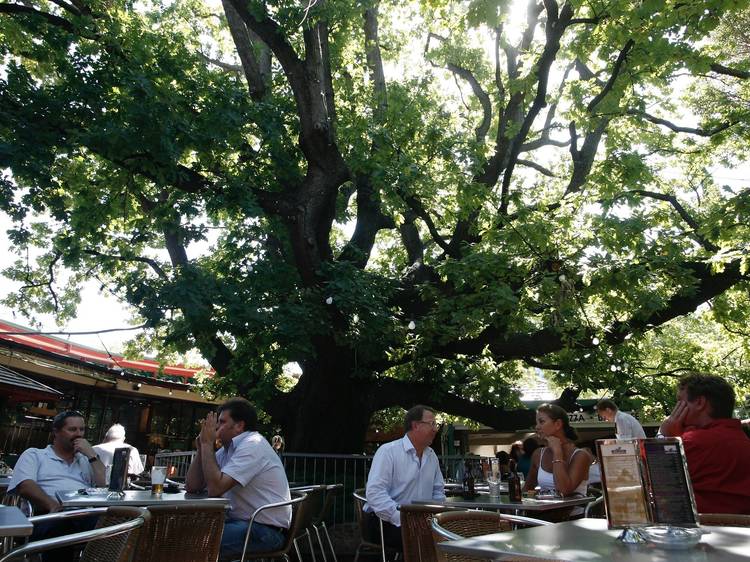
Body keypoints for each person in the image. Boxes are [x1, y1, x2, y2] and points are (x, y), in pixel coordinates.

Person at [185, 398, 292, 559]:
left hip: (264, 530)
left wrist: (208, 444)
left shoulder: (253, 445)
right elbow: (193, 486)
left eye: (221, 422)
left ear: (239, 426)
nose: (215, 427)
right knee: (179, 534)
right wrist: (202, 447)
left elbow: (215, 489)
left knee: (189, 543)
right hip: (241, 524)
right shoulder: (228, 449)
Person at [8, 410, 106, 561]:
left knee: (114, 526)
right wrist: (52, 505)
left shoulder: (86, 460)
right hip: (48, 514)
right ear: (56, 432)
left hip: (85, 514)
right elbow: (25, 485)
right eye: (72, 429)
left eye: (82, 429)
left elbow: (103, 485)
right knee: (61, 528)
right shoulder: (35, 455)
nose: (78, 434)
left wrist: (92, 455)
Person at [658, 373, 750, 514]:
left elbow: (652, 484)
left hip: (700, 531)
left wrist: (668, 438)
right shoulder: (743, 441)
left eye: (680, 401)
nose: (675, 408)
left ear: (700, 403)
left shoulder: (690, 443)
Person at [365, 405, 446, 551]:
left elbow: (438, 491)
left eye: (436, 424)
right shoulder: (388, 452)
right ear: (415, 425)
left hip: (421, 521)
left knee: (452, 535)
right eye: (432, 424)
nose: (435, 429)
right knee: (426, 541)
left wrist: (432, 517)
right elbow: (375, 493)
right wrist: (402, 519)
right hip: (385, 522)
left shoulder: (431, 455)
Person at [525, 403, 591, 497]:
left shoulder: (580, 455)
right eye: (537, 423)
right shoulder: (538, 454)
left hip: (575, 511)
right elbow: (528, 488)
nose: (537, 427)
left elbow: (563, 490)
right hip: (544, 510)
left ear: (558, 424)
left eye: (541, 422)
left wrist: (557, 452)